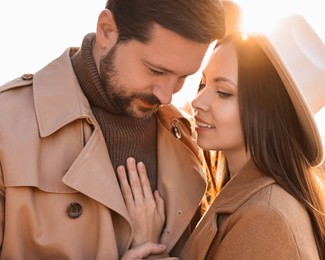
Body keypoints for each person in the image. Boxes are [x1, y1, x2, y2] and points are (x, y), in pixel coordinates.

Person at [0, 0, 224, 258]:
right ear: (107, 30)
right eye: (156, 70)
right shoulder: (7, 125)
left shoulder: (185, 139)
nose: (166, 96)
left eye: (183, 77)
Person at [118, 15, 325, 259]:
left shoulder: (266, 218)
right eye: (203, 84)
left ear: (269, 112)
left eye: (223, 92)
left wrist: (149, 247)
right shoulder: (249, 200)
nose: (197, 101)